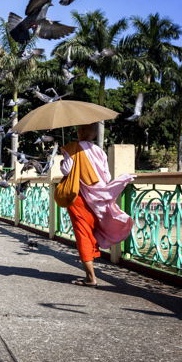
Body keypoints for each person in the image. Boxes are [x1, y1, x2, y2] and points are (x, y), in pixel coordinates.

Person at [57, 123, 134, 287]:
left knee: (82, 234)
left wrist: (63, 161)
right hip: (97, 199)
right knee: (90, 232)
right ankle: (90, 266)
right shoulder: (100, 151)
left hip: (79, 198)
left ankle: (91, 277)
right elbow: (106, 176)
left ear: (80, 132)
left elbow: (66, 171)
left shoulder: (72, 148)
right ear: (93, 134)